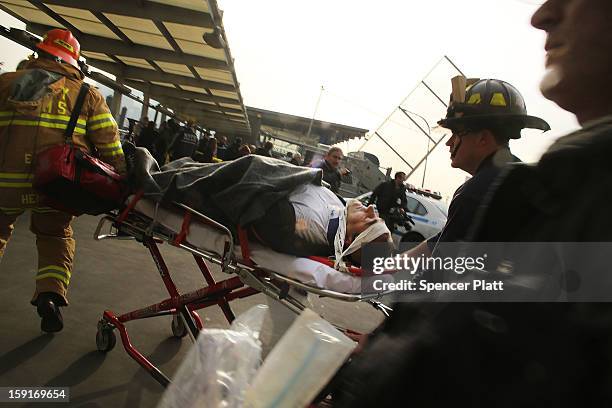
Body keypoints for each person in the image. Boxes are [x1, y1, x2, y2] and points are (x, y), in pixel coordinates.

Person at [0, 28, 126, 333]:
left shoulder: (4, 85)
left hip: (4, 183)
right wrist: (125, 182)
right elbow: (110, 145)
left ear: (40, 52)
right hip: (55, 186)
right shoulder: (87, 95)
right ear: (74, 61)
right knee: (55, 236)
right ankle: (50, 297)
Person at [403, 78, 549, 258]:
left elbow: (438, 275)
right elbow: (445, 240)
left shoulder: (474, 194)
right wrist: (394, 264)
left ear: (482, 138)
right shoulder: (516, 176)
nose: (449, 143)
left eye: (456, 133)